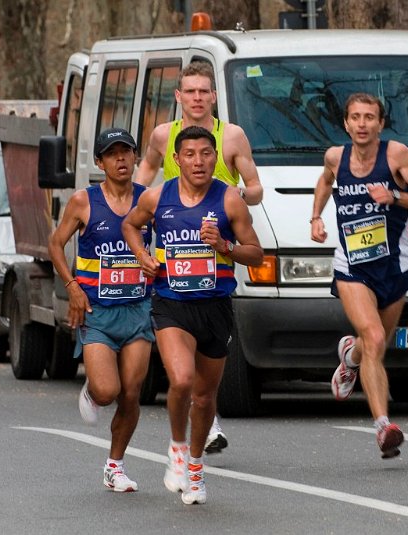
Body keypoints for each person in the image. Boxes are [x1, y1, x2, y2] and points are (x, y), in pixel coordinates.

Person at [123, 126, 263, 504]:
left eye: (205, 154)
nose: (198, 161)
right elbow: (130, 225)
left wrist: (224, 246)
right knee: (181, 380)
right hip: (171, 304)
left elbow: (257, 253)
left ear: (215, 158)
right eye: (190, 154)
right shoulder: (157, 197)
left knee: (204, 396)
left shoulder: (229, 200)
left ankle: (197, 469)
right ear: (177, 159)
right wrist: (142, 257)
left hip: (215, 305)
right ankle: (178, 450)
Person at [137, 60, 263, 454]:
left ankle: (203, 416)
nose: (196, 98)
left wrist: (234, 200)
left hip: (219, 250)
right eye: (188, 91)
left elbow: (256, 188)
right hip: (176, 253)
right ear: (178, 97)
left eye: (203, 91)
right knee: (182, 368)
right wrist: (133, 232)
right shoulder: (163, 135)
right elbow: (141, 180)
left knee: (207, 360)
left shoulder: (232, 137)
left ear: (213, 96)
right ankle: (200, 431)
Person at [310, 93, 408, 459]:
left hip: (393, 263)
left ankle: (350, 358)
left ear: (380, 124)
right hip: (352, 264)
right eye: (355, 117)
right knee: (374, 334)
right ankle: (383, 427)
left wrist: (394, 196)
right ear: (346, 124)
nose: (362, 124)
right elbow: (325, 181)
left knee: (375, 346)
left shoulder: (396, 156)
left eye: (369, 117)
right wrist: (316, 217)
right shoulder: (336, 157)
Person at [48, 127, 155, 492]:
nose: (121, 159)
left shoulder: (149, 200)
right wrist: (72, 286)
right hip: (98, 312)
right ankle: (93, 391)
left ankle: (115, 465)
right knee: (109, 390)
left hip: (138, 309)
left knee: (132, 392)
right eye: (112, 154)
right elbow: (56, 243)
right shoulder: (84, 201)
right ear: (100, 162)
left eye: (127, 152)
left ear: (136, 157)